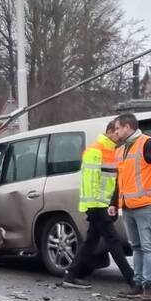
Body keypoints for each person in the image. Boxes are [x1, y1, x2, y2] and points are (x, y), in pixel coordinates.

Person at [109, 113, 151, 301]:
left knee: (148, 246)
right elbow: (120, 180)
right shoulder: (122, 149)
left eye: (117, 128)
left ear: (127, 127)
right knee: (137, 246)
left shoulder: (147, 144)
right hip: (130, 205)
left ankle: (149, 286)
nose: (115, 132)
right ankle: (138, 284)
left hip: (148, 203)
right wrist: (114, 203)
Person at [60, 119, 134, 288]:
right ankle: (131, 279)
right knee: (113, 241)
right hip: (97, 206)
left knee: (91, 242)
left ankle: (71, 276)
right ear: (109, 131)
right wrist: (95, 207)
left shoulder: (112, 151)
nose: (118, 134)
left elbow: (111, 182)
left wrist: (111, 204)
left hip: (102, 205)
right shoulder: (96, 150)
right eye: (116, 130)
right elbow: (90, 181)